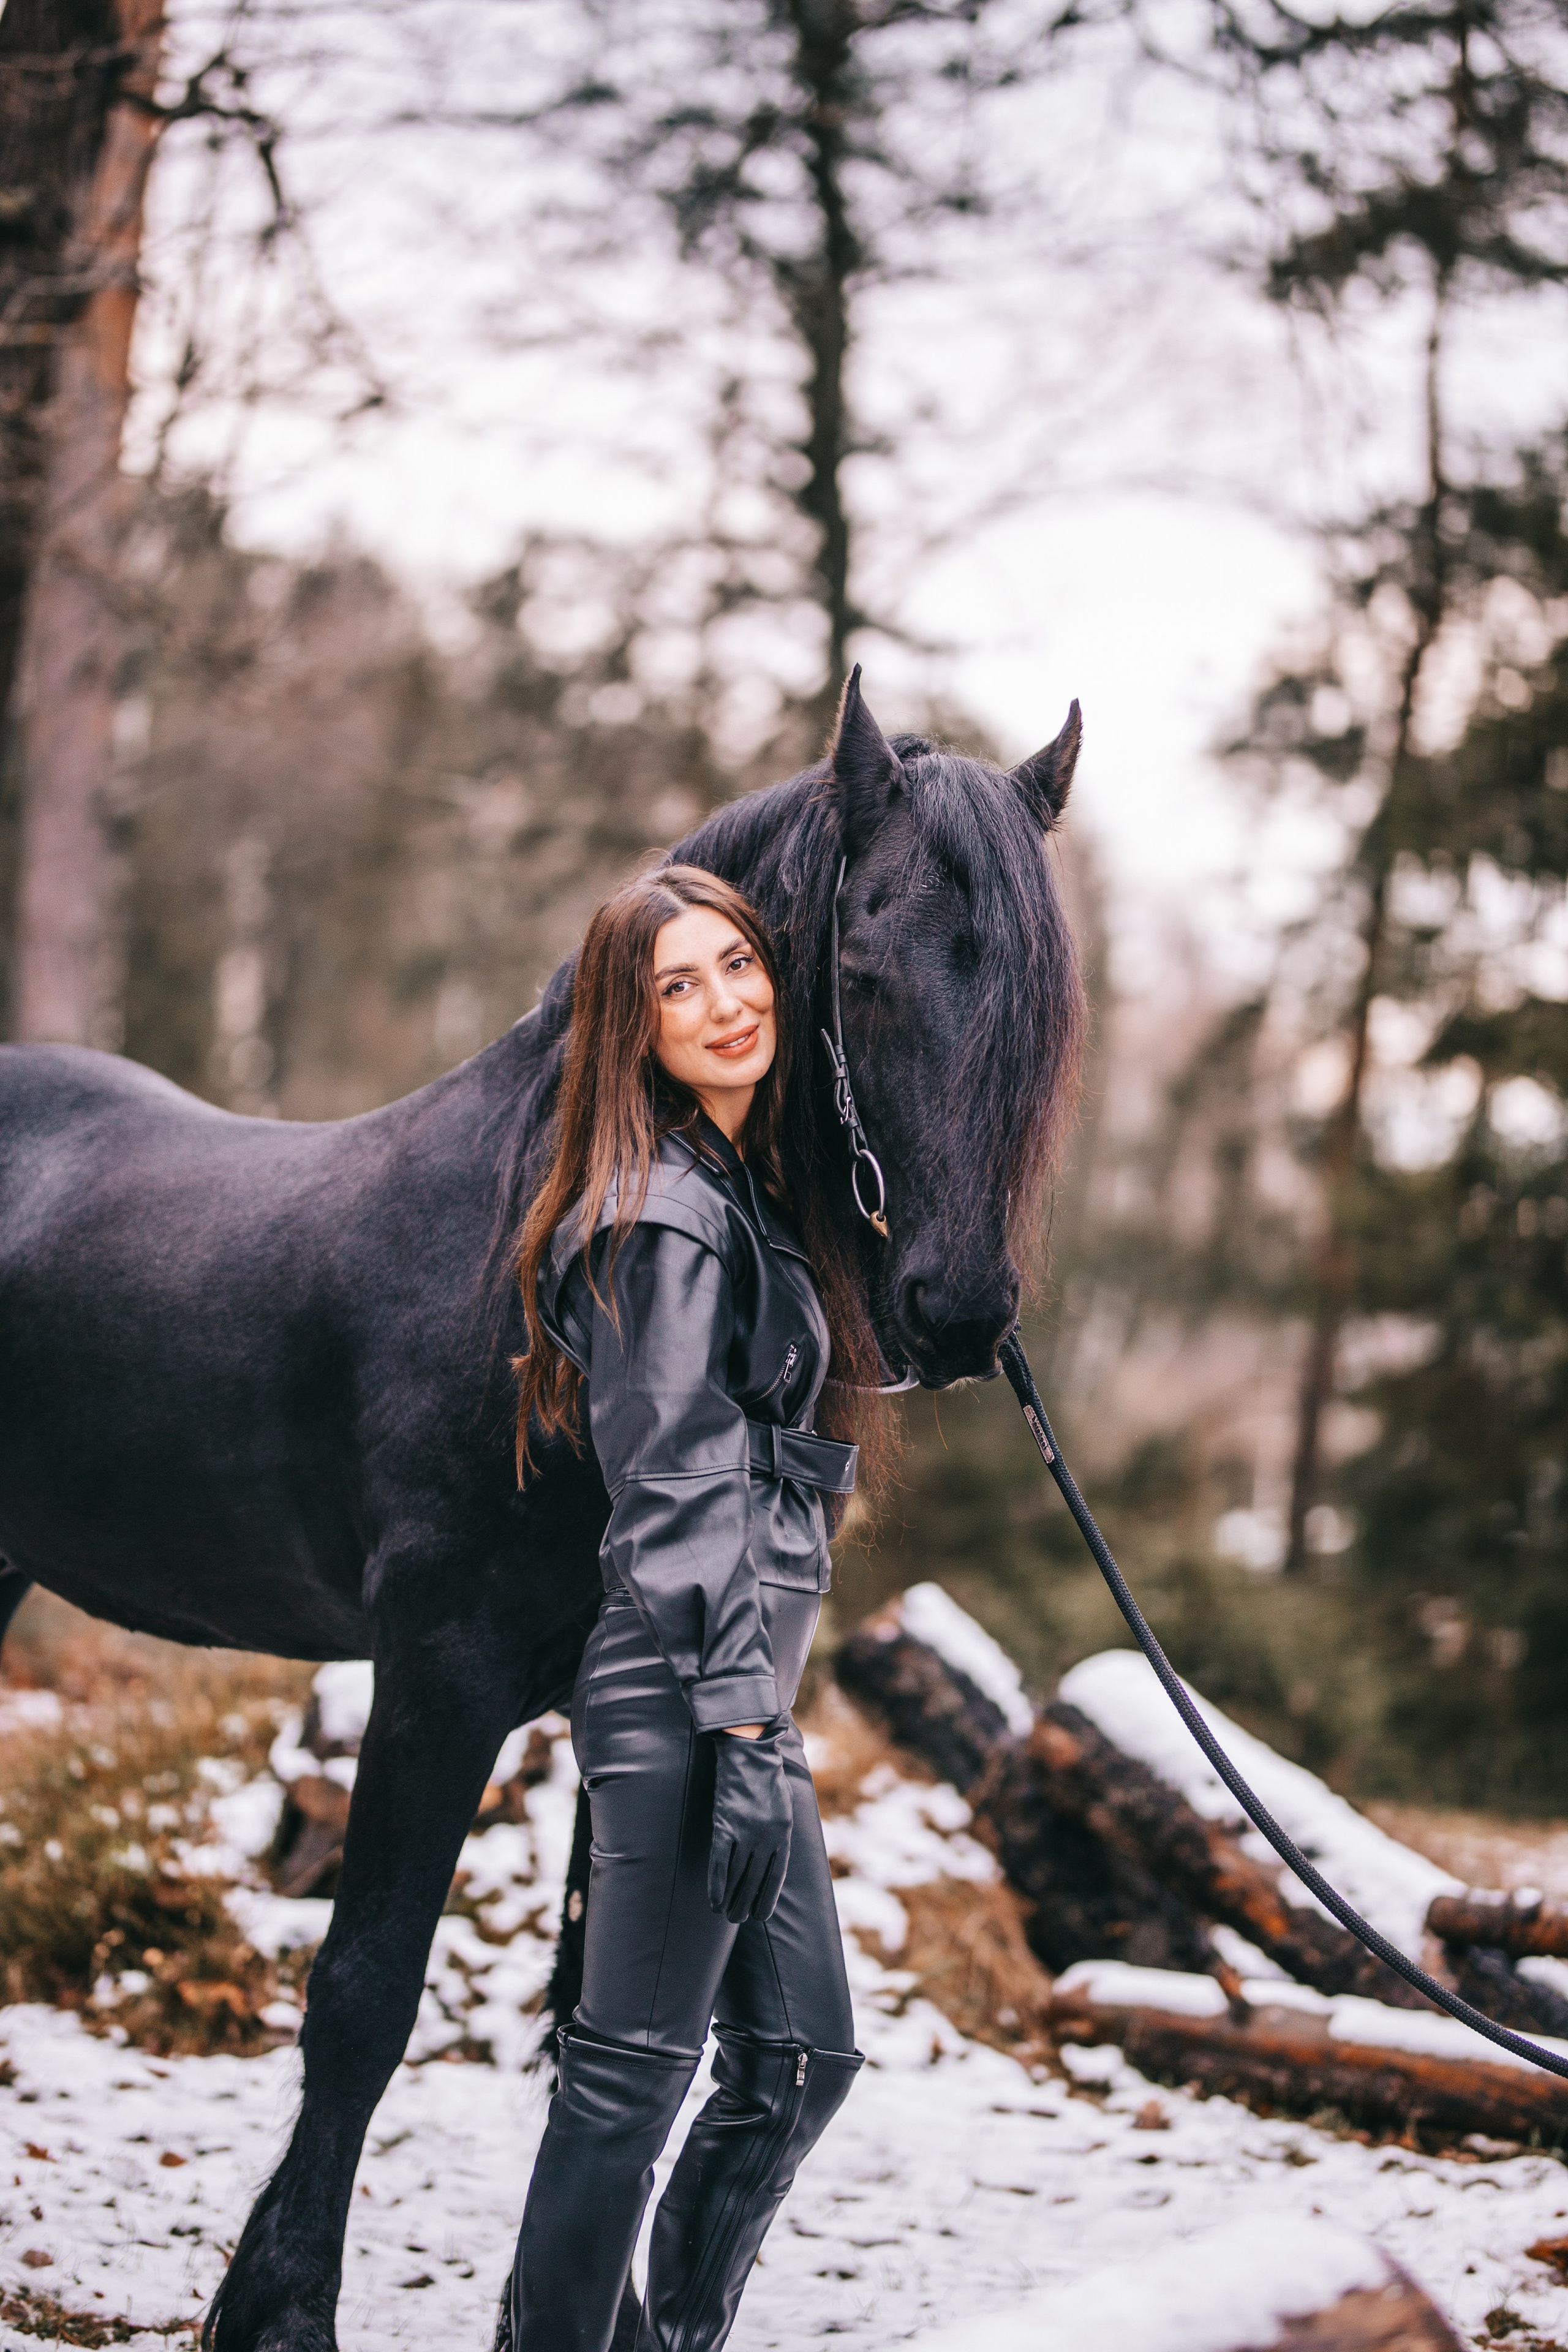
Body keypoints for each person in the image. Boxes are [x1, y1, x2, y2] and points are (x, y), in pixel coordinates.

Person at [506, 864, 865, 2352]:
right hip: (685, 1693)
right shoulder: (662, 1213)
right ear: (632, 1028)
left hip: (739, 1697)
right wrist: (730, 1717)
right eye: (678, 986)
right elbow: (668, 1483)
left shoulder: (740, 1191)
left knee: (799, 2057)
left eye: (737, 965)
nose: (725, 1003)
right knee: (627, 2080)